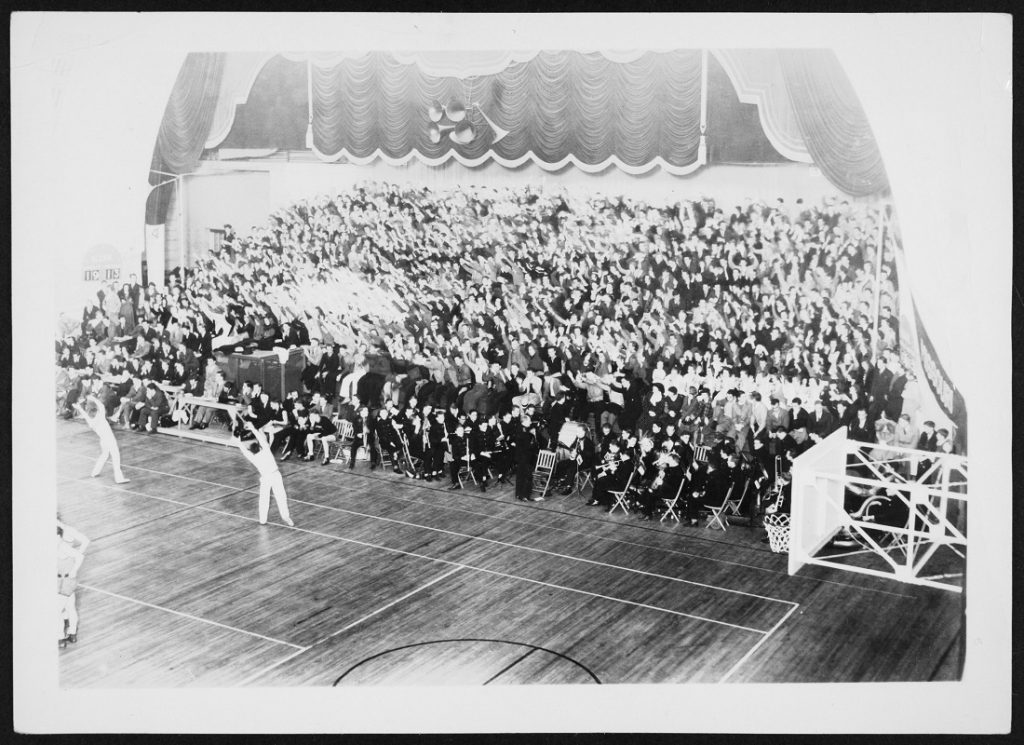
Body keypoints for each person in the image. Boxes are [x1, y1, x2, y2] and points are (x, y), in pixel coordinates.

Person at [233, 420, 295, 526]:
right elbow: (261, 439)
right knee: (281, 496)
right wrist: (252, 428)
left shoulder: (253, 458)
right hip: (275, 475)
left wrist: (237, 439)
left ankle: (263, 520)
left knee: (264, 498)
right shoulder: (266, 450)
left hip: (266, 477)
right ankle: (286, 517)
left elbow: (244, 450)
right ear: (258, 446)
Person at [74, 394, 130, 484]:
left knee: (104, 455)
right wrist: (94, 399)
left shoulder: (91, 423)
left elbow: (86, 415)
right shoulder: (101, 418)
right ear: (96, 413)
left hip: (103, 441)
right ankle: (119, 478)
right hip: (110, 440)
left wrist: (79, 408)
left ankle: (95, 472)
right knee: (116, 457)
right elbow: (101, 406)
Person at [57, 519, 89, 648]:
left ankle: (61, 637)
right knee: (69, 607)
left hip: (64, 578)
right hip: (63, 577)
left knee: (59, 609)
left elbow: (85, 543)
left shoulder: (63, 539)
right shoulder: (57, 538)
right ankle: (72, 633)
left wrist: (73, 568)